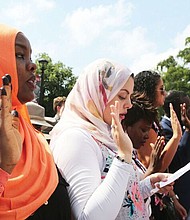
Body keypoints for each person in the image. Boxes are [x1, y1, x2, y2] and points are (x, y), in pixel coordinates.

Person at [50, 59, 174, 220]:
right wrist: (123, 157)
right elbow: (88, 217)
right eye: (122, 96)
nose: (129, 104)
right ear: (96, 94)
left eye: (129, 97)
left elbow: (117, 196)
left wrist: (146, 185)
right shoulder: (75, 139)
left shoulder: (103, 135)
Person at [0, 24, 71, 219]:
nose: (32, 65)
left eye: (30, 57)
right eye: (19, 55)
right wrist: (5, 169)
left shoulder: (35, 138)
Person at [122, 94, 187, 219]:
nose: (147, 136)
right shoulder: (120, 159)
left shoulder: (133, 153)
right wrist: (152, 169)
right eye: (143, 130)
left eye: (148, 130)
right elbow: (130, 196)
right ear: (125, 125)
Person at [133, 70, 182, 172]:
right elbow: (152, 166)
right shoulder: (142, 119)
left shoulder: (150, 118)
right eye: (161, 89)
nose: (165, 93)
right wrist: (177, 136)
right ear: (149, 91)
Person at [160, 90, 190, 214]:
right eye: (187, 106)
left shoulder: (183, 125)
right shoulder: (164, 129)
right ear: (180, 108)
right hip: (178, 193)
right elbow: (178, 160)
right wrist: (187, 130)